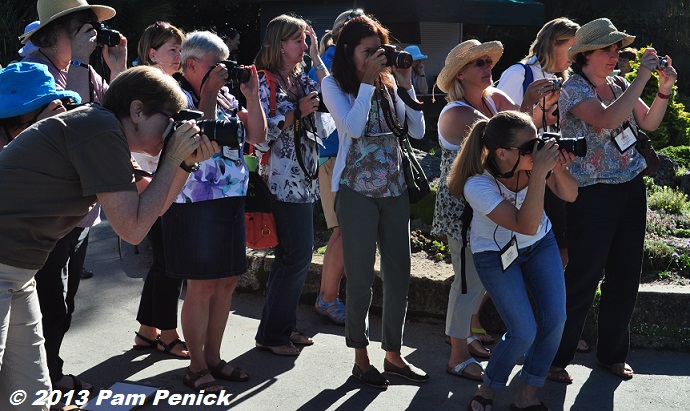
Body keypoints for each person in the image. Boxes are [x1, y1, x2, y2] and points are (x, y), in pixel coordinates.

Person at [0, 64, 215, 410]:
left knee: (28, 391)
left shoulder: (100, 132)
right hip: (4, 265)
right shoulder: (98, 129)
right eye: (170, 120)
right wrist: (172, 159)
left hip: (17, 272)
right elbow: (133, 229)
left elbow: (152, 206)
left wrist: (183, 164)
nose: (172, 131)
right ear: (137, 110)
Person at [549, 18, 677, 383]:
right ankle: (557, 357)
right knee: (583, 276)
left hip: (630, 186)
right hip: (591, 193)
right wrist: (642, 78)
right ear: (586, 54)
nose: (615, 55)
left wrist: (663, 89)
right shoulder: (573, 88)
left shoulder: (619, 83)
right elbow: (605, 120)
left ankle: (612, 354)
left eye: (617, 48)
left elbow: (648, 123)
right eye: (608, 49)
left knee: (625, 274)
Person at [19, 0, 128, 391]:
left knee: (63, 303)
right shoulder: (34, 73)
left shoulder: (81, 71)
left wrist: (116, 70)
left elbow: (117, 121)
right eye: (82, 27)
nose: (91, 34)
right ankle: (40, 381)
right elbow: (76, 123)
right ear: (53, 33)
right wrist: (83, 63)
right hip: (46, 214)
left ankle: (49, 371)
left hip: (79, 214)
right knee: (47, 305)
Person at [432, 39, 554, 382]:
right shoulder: (457, 112)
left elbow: (518, 136)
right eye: (479, 64)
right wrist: (527, 106)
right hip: (465, 208)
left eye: (488, 61)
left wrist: (529, 105)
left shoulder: (492, 99)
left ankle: (466, 336)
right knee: (468, 282)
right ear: (460, 74)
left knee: (481, 280)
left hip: (492, 203)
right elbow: (503, 142)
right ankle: (456, 354)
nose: (488, 67)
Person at [321, 14, 427, 389]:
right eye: (369, 51)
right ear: (349, 51)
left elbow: (417, 130)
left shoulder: (387, 84)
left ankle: (394, 356)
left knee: (400, 274)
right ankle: (360, 357)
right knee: (362, 278)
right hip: (357, 192)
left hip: (394, 190)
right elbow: (351, 125)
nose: (377, 58)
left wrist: (405, 84)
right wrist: (368, 83)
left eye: (379, 50)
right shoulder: (333, 84)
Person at [447, 110, 578, 411]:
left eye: (538, 141)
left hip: (540, 245)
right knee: (523, 331)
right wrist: (539, 174)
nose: (538, 150)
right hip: (495, 256)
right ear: (502, 153)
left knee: (556, 319)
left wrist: (555, 169)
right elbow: (525, 224)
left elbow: (571, 195)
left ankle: (527, 394)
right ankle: (489, 387)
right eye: (529, 147)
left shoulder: (533, 165)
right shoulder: (477, 185)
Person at [161, 30, 266, 391]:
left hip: (230, 197)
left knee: (227, 282)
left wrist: (251, 95)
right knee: (202, 286)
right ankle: (196, 365)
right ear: (191, 65)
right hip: (194, 201)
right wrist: (206, 94)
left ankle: (215, 358)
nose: (224, 72)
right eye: (215, 66)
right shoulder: (177, 96)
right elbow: (197, 138)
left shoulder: (224, 96)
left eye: (226, 65)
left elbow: (257, 135)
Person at [495, 17, 590, 353]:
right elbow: (499, 130)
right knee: (527, 253)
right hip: (526, 178)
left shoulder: (563, 78)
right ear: (554, 43)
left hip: (553, 173)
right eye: (573, 46)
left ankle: (548, 332)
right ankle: (518, 329)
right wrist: (538, 113)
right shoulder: (519, 73)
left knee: (560, 251)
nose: (576, 54)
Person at [253, 14, 328, 356]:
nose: (302, 45)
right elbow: (259, 139)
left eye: (304, 39)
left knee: (293, 257)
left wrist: (315, 57)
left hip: (304, 178)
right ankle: (272, 334)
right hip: (282, 181)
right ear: (279, 44)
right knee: (296, 257)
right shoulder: (263, 81)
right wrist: (296, 113)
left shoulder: (299, 79)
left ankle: (282, 327)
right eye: (298, 40)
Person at [132, 21, 188, 360]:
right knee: (170, 261)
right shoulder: (143, 86)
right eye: (172, 49)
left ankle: (146, 331)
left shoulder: (167, 86)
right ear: (152, 53)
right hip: (146, 183)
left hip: (164, 182)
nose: (179, 55)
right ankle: (167, 334)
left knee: (165, 260)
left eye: (180, 49)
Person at [307, 8, 365, 326]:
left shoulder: (341, 59)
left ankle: (330, 298)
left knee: (345, 232)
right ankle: (327, 299)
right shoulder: (332, 61)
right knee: (342, 231)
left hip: (342, 156)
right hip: (334, 157)